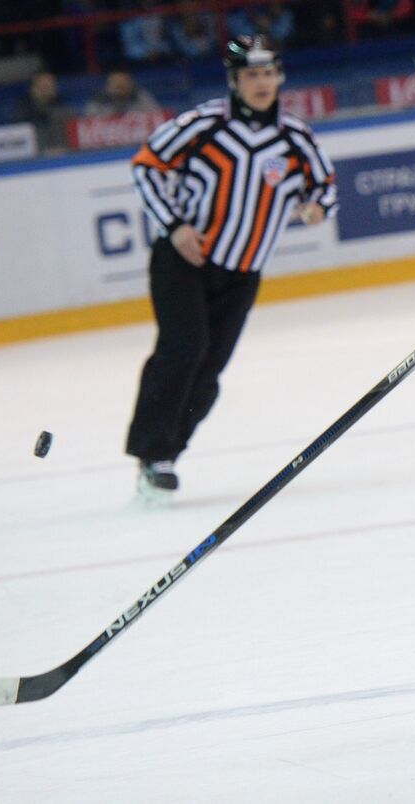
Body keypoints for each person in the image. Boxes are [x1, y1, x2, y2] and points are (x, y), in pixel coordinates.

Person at [125, 36, 336, 505]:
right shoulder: (202, 125)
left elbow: (324, 187)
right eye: (251, 75)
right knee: (184, 348)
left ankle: (165, 457)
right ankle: (151, 452)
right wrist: (176, 226)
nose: (261, 84)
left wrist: (317, 208)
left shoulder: (296, 137)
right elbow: (146, 166)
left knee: (209, 371)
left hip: (243, 272)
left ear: (279, 77)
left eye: (268, 74)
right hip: (183, 261)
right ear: (234, 82)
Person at [85, 70, 161, 118]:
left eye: (124, 83)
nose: (121, 87)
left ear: (131, 83)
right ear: (108, 85)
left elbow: (156, 116)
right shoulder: (98, 100)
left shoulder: (142, 96)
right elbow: (88, 123)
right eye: (116, 84)